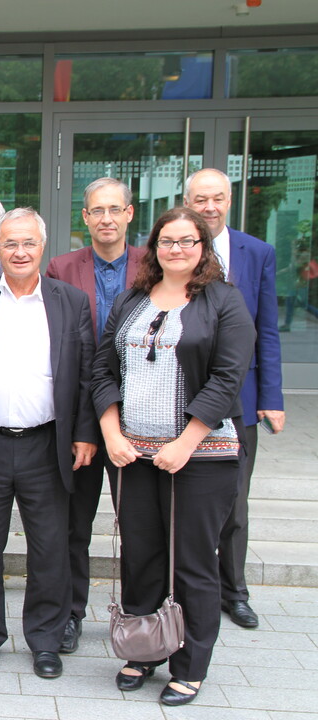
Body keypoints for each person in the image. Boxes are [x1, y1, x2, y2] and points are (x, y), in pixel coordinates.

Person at [91, 206, 255, 706]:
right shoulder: (132, 300)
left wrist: (184, 444)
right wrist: (111, 433)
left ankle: (190, 665)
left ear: (202, 247)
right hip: (131, 458)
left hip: (203, 459)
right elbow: (102, 368)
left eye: (187, 241)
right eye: (167, 241)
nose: (177, 249)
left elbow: (229, 378)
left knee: (191, 564)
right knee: (142, 558)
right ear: (154, 247)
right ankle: (144, 650)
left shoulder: (224, 302)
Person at [0, 208, 97, 680]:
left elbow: (85, 376)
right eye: (10, 244)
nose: (19, 252)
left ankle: (44, 640)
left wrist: (84, 433)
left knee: (50, 548)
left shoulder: (70, 302)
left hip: (47, 445)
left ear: (43, 247)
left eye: (29, 244)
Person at [44, 177, 146, 653]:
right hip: (79, 421)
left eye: (114, 209)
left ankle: (143, 615)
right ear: (84, 217)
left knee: (142, 526)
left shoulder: (156, 263)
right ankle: (69, 614)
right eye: (96, 210)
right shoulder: (61, 268)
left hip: (144, 419)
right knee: (73, 525)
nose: (106, 218)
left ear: (129, 214)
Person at [183, 168, 285, 629]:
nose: (209, 207)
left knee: (234, 500)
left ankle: (234, 590)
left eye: (217, 198)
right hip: (179, 397)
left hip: (238, 398)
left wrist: (273, 397)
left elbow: (268, 330)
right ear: (187, 202)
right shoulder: (170, 248)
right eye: (200, 198)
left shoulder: (257, 252)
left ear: (229, 200)